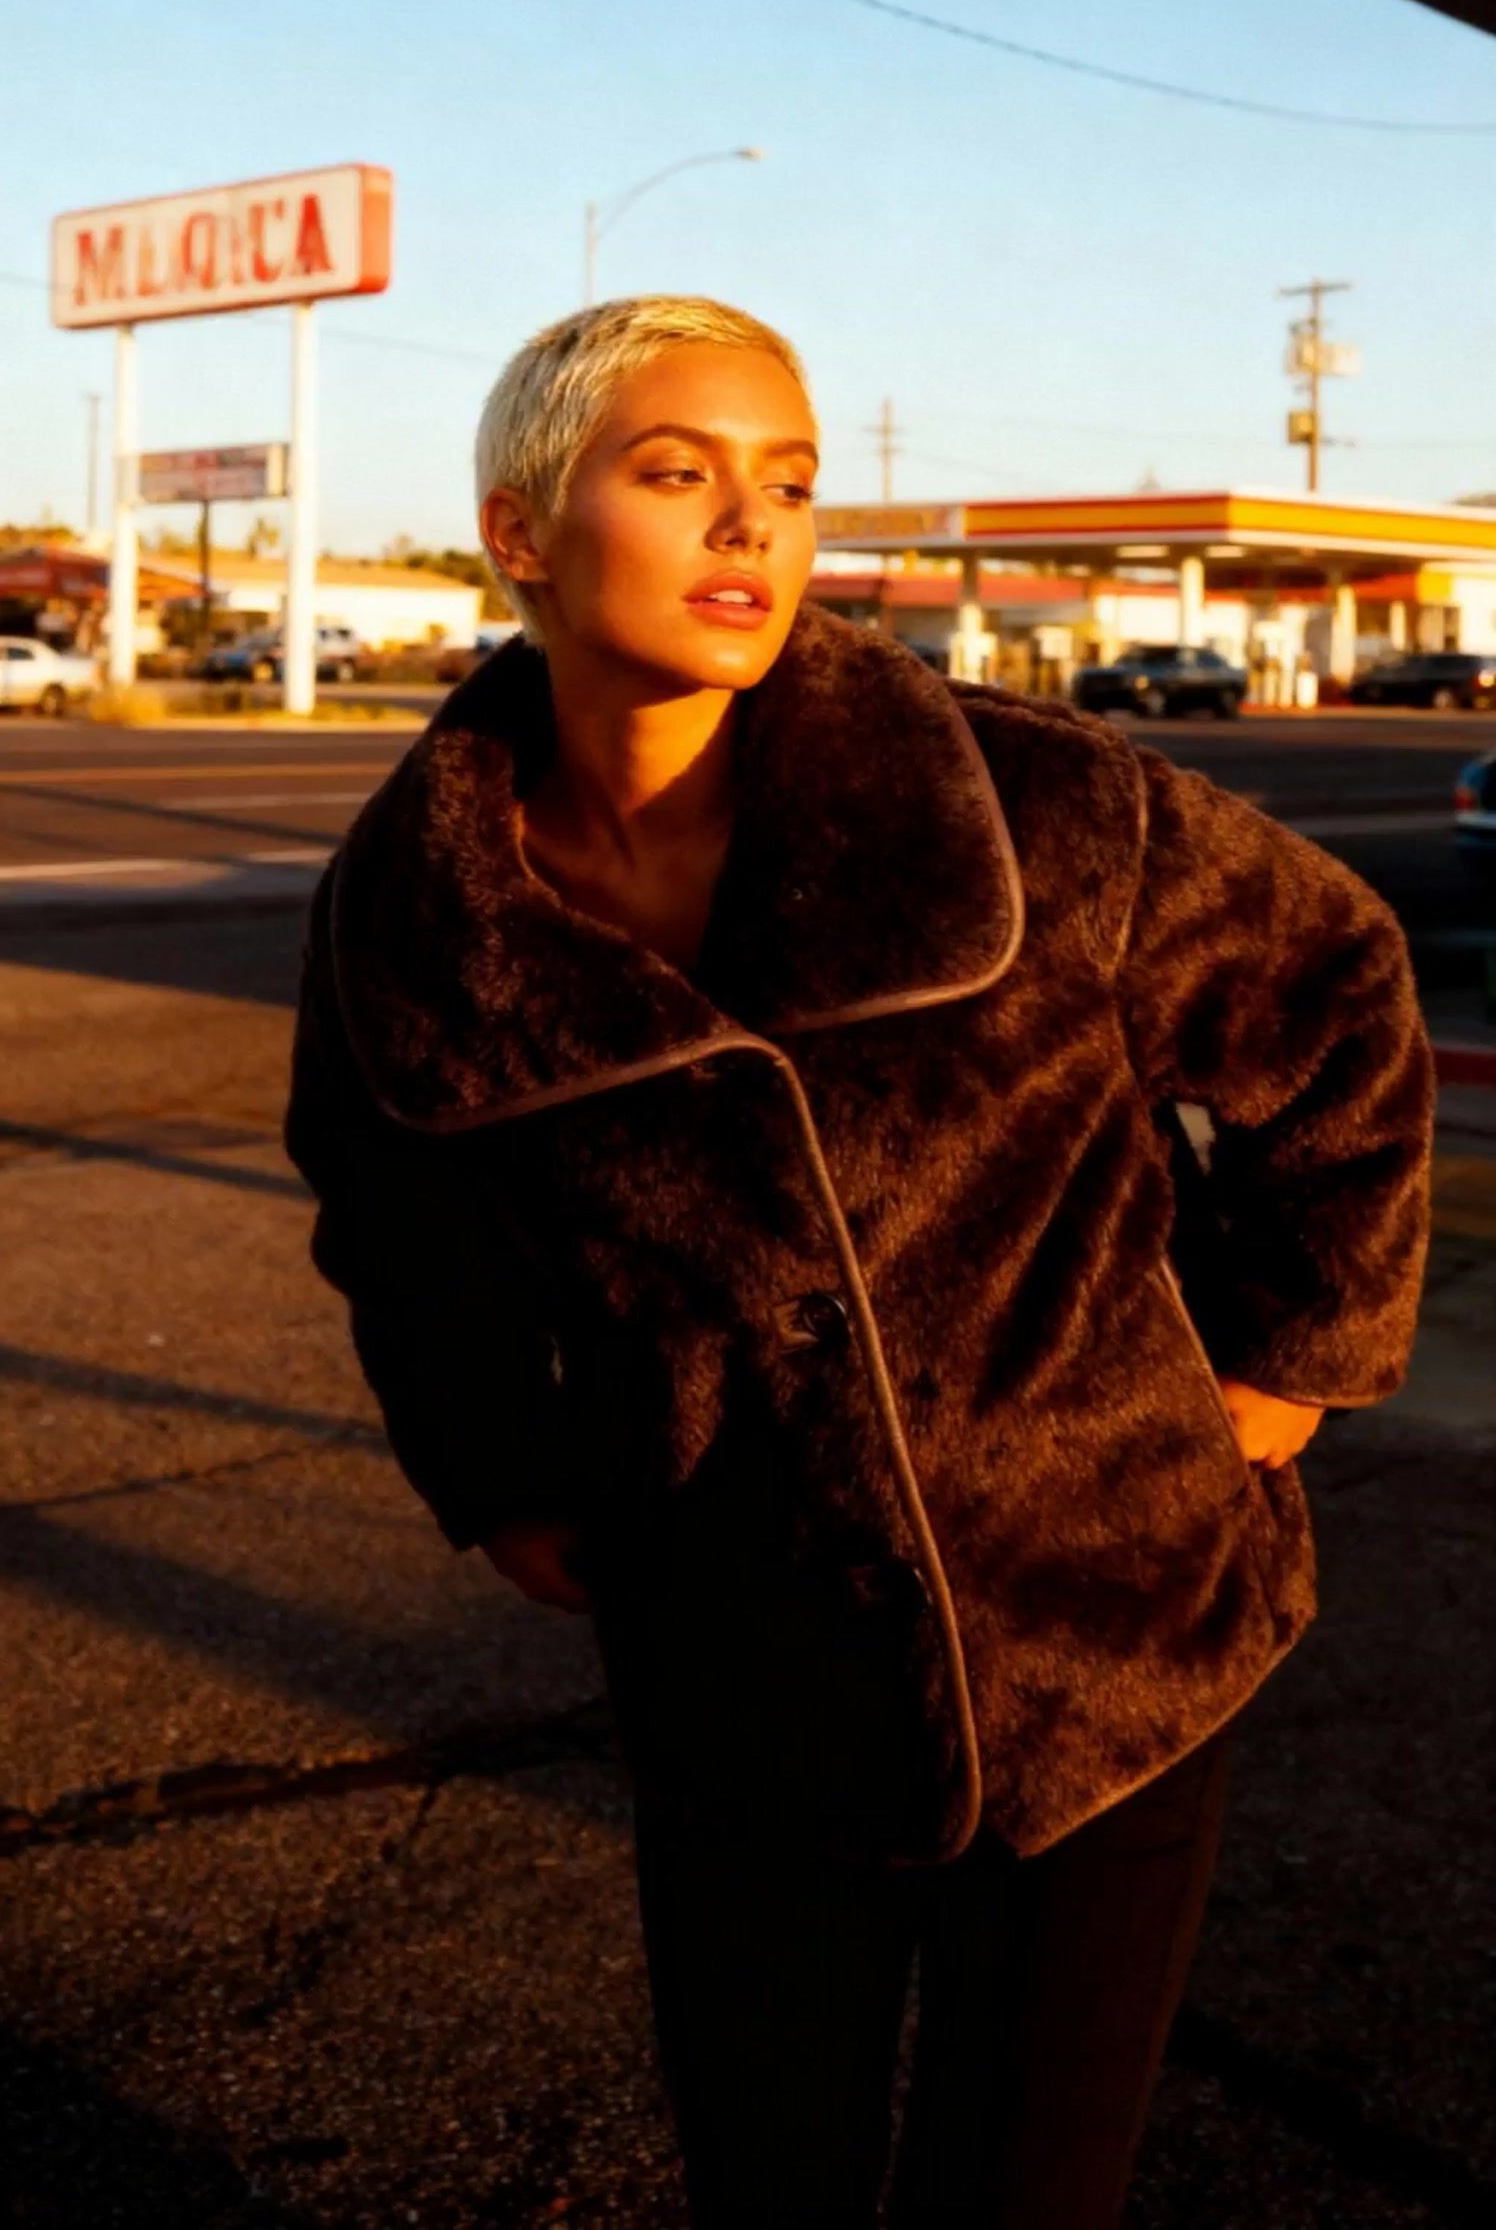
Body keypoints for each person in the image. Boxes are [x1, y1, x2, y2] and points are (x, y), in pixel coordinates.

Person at [284, 295, 1432, 2227]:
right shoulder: (416, 905)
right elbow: (396, 1220)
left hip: (1108, 1636)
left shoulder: (1029, 800)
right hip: (739, 1646)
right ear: (517, 529)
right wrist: (500, 1468)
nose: (752, 525)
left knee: (1027, 2192)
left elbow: (1338, 994)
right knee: (771, 2175)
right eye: (679, 473)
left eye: (791, 482)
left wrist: (1285, 1359)